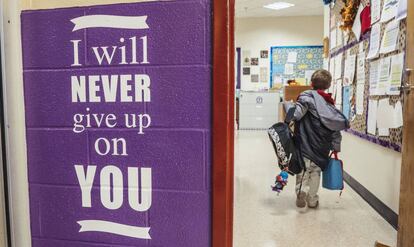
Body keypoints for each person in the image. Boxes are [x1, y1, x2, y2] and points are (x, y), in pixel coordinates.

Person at [285, 69, 349, 209]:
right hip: (322, 147)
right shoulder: (329, 104)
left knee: (303, 170)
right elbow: (335, 129)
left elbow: (295, 115)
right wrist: (336, 146)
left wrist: (288, 105)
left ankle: (301, 191)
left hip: (305, 144)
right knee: (315, 172)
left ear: (311, 83)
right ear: (328, 86)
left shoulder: (306, 98)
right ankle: (312, 200)